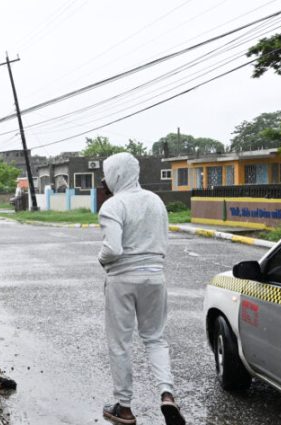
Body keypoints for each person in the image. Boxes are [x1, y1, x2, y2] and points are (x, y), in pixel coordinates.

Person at [97, 153, 185, 425]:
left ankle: (124, 408)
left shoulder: (113, 205)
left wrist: (101, 259)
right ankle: (167, 394)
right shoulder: (156, 202)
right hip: (155, 277)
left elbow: (112, 249)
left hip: (123, 279)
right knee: (155, 338)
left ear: (116, 174)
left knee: (120, 343)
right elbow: (164, 240)